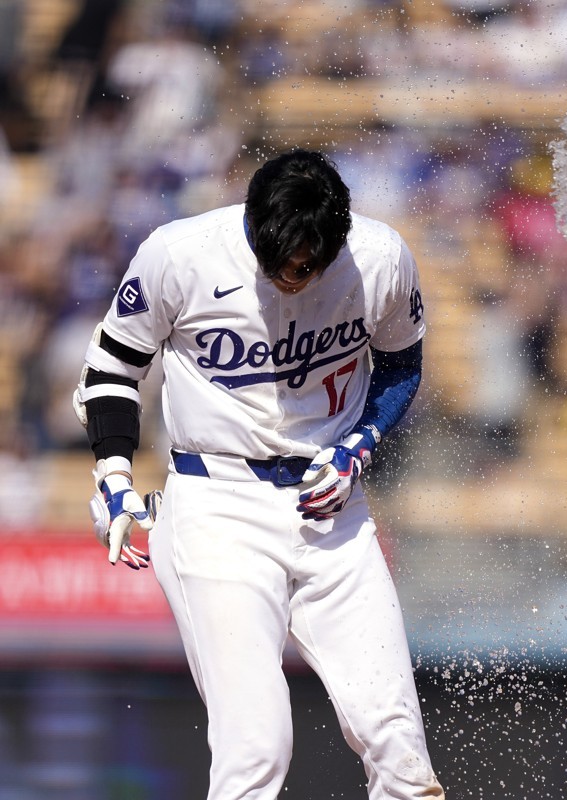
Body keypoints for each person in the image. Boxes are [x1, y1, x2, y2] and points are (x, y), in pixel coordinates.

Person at [76, 149, 445, 799]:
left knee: (398, 746)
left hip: (332, 509)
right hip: (218, 505)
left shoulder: (378, 259)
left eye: (310, 260)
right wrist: (112, 470)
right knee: (257, 747)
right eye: (281, 259)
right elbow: (112, 366)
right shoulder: (182, 255)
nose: (294, 274)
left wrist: (360, 443)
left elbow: (400, 365)